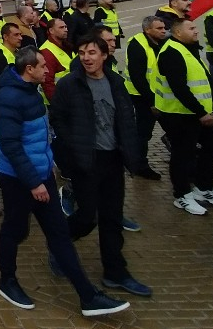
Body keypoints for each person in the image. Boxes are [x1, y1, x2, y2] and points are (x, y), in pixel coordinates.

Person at [0, 46, 129, 316]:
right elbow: (10, 145)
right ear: (29, 69)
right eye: (42, 66)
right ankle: (7, 280)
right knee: (14, 230)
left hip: (42, 176)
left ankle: (88, 296)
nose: (47, 69)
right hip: (19, 181)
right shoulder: (8, 98)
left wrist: (50, 164)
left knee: (60, 235)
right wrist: (33, 182)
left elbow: (40, 136)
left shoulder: (33, 91)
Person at [50, 33, 151, 297]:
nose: (86, 58)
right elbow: (57, 118)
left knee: (112, 217)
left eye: (92, 52)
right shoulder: (69, 85)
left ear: (104, 56)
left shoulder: (116, 82)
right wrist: (73, 146)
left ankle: (115, 272)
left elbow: (126, 117)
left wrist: (131, 153)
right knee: (87, 217)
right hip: (86, 160)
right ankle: (59, 244)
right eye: (82, 53)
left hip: (113, 159)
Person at [154, 17, 213, 215]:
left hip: (193, 113)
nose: (196, 31)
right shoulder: (171, 52)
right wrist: (201, 112)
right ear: (178, 32)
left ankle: (203, 187)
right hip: (178, 114)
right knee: (182, 154)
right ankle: (182, 195)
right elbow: (179, 88)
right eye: (192, 28)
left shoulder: (189, 49)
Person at [123, 16, 166, 180]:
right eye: (159, 29)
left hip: (160, 95)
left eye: (163, 28)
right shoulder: (137, 45)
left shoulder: (161, 42)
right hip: (141, 96)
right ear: (148, 30)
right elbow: (137, 77)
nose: (163, 31)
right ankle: (140, 164)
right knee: (143, 133)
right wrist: (152, 101)